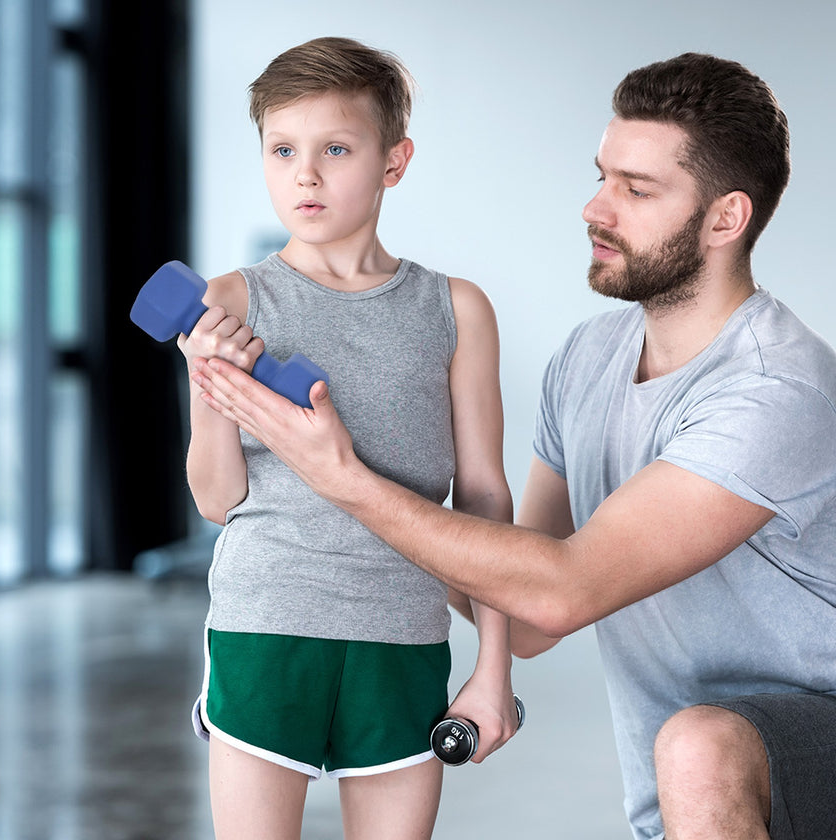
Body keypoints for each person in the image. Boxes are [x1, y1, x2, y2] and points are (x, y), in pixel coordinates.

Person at [191, 52, 836, 840]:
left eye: (636, 190)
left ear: (725, 219)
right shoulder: (589, 359)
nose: (594, 207)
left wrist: (345, 477)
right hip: (684, 783)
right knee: (694, 749)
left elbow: (558, 590)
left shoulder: (775, 391)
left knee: (699, 748)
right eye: (601, 176)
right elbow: (525, 607)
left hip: (789, 742)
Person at [179, 37, 519, 840]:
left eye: (335, 149)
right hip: (266, 626)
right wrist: (209, 384)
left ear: (394, 161)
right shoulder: (229, 303)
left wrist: (493, 667)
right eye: (283, 150)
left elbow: (483, 499)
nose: (305, 174)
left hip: (402, 637)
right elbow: (217, 501)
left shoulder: (456, 309)